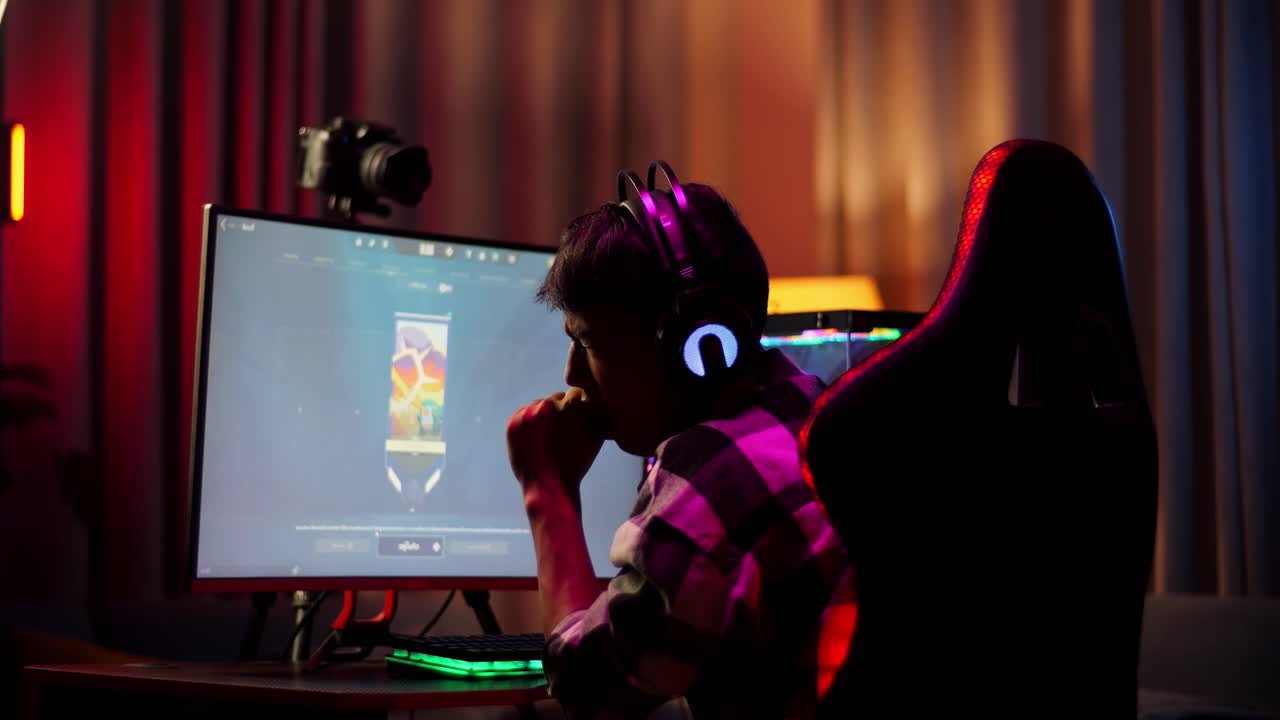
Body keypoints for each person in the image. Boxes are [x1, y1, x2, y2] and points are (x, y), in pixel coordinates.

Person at [506, 171, 856, 719]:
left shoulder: (706, 478)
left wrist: (546, 489)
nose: (574, 374)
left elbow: (588, 689)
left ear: (695, 344)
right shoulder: (821, 414)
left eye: (588, 341)